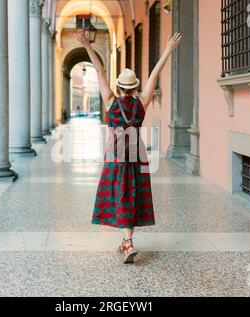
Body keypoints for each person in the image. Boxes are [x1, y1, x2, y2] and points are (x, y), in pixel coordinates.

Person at [77, 31, 182, 264]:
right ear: (135, 87)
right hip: (137, 155)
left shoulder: (110, 102)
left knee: (121, 195)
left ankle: (128, 243)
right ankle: (126, 240)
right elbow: (155, 73)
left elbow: (100, 71)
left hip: (116, 155)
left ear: (119, 87)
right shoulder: (142, 102)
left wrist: (87, 46)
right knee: (132, 196)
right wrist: (167, 50)